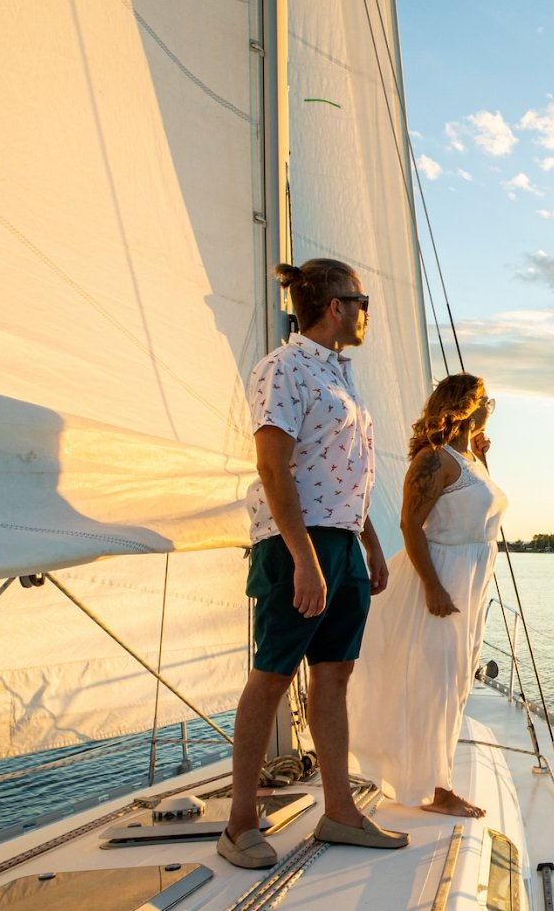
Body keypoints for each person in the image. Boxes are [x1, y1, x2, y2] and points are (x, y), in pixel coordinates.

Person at [218, 258, 408, 870]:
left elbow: (345, 470)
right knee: (271, 675)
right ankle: (239, 823)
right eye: (361, 300)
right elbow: (273, 468)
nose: (366, 312)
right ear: (336, 306)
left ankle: (338, 813)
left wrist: (370, 545)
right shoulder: (283, 369)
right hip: (294, 544)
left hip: (342, 544)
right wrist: (304, 558)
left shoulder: (340, 376)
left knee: (334, 677)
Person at [348, 373, 508, 817]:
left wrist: (481, 457)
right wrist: (434, 586)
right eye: (485, 401)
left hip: (470, 581)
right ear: (464, 406)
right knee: (434, 684)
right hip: (442, 577)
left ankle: (434, 778)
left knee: (455, 683)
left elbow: (480, 515)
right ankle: (435, 790)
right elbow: (408, 525)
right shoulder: (433, 460)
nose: (489, 408)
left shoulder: (467, 458)